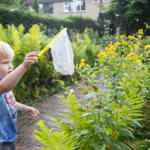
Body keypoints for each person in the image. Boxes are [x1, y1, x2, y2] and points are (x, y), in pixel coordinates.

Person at [0, 41, 40, 150]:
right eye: (5, 62)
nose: (10, 66)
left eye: (11, 62)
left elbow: (10, 102)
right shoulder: (3, 85)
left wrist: (25, 108)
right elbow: (3, 87)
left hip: (9, 135)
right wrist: (23, 66)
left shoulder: (5, 83)